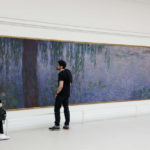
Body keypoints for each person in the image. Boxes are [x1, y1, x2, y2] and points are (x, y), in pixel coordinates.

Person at [49, 60, 72, 130]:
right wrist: (66, 90)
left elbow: (61, 86)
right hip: (67, 94)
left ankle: (57, 125)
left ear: (61, 66)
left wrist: (57, 93)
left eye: (58, 65)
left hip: (61, 94)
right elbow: (70, 84)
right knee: (66, 109)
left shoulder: (61, 74)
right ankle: (67, 125)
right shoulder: (69, 72)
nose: (57, 66)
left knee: (56, 109)